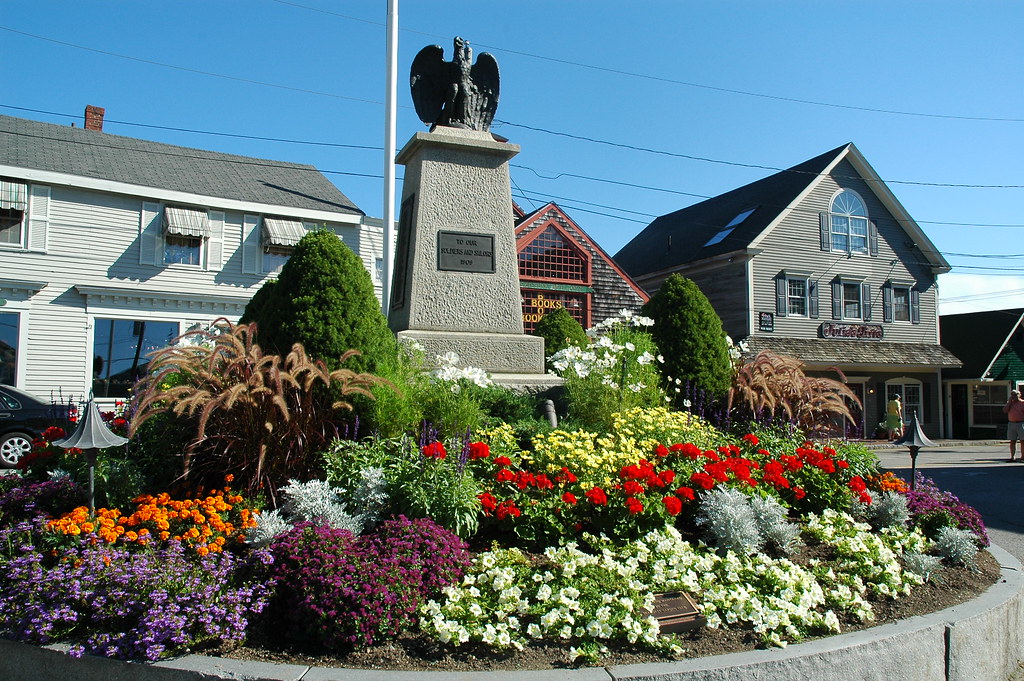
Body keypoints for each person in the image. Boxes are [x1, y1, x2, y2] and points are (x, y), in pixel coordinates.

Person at [1002, 389, 1024, 462]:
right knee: (1012, 441)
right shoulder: (1010, 403)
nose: (1014, 396)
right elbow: (1005, 411)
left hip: (1021, 423)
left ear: (1019, 395)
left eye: (1015, 394)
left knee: (1022, 441)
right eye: (1012, 395)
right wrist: (1009, 403)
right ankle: (1012, 457)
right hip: (1012, 423)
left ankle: (1023, 457)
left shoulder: (1023, 403)